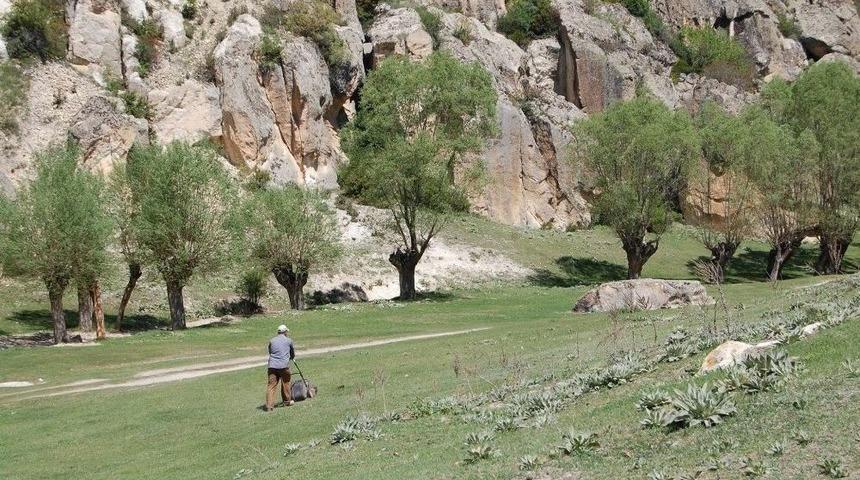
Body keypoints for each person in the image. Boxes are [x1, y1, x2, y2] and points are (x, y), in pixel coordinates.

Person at [265, 324, 295, 412]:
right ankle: (287, 401)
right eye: (287, 332)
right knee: (286, 382)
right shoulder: (289, 341)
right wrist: (291, 357)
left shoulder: (272, 340)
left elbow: (270, 351)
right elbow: (292, 353)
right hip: (283, 366)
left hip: (272, 366)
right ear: (285, 332)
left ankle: (269, 406)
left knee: (271, 385)